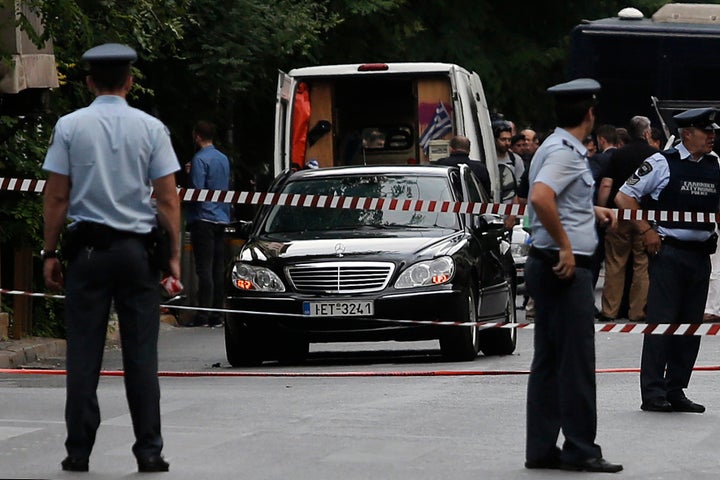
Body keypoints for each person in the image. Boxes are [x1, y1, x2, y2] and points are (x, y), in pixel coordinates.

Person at [42, 43, 180, 473]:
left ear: (88, 81)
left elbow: (57, 195)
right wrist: (172, 258)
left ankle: (78, 451)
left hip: (87, 253)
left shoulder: (69, 126)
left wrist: (50, 251)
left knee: (83, 353)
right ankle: (149, 450)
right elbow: (168, 199)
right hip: (137, 254)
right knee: (142, 354)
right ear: (130, 82)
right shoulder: (152, 128)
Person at [524, 78, 622, 473]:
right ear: (590, 114)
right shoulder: (565, 153)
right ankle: (581, 448)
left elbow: (558, 200)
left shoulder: (552, 146)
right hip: (565, 269)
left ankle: (542, 447)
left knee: (549, 360)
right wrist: (566, 244)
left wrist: (590, 213)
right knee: (576, 363)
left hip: (546, 263)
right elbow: (541, 198)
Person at [615, 107, 720, 414]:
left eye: (713, 131)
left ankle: (676, 389)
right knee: (662, 325)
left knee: (690, 327)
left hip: (701, 255)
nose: (713, 136)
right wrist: (646, 230)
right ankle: (652, 392)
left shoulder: (715, 164)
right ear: (687, 134)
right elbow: (624, 197)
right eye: (706, 131)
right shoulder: (661, 163)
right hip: (668, 253)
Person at [597, 116, 657, 322]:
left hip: (618, 216)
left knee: (614, 263)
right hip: (644, 217)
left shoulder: (618, 155)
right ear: (647, 133)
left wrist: (603, 210)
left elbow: (606, 184)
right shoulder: (655, 156)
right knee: (642, 265)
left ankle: (610, 310)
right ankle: (638, 311)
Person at [186, 120, 231, 327]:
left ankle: (203, 314)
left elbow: (197, 190)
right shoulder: (223, 159)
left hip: (203, 217)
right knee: (217, 267)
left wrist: (188, 174)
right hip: (222, 216)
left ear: (197, 136)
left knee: (204, 267)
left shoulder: (199, 159)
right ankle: (218, 314)